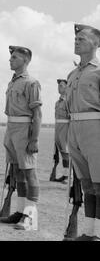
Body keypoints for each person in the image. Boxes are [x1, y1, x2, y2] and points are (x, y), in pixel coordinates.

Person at [0, 46, 42, 231]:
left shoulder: (31, 82)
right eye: (11, 57)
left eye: (14, 57)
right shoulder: (12, 82)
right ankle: (20, 210)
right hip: (11, 128)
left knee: (29, 173)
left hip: (25, 129)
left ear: (25, 60)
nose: (10, 60)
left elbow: (38, 113)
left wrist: (34, 139)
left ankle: (30, 216)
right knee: (17, 173)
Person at [65, 24, 100, 240]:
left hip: (95, 128)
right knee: (86, 184)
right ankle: (89, 232)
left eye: (82, 39)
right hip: (74, 129)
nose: (76, 41)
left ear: (96, 44)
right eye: (76, 38)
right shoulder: (72, 73)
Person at [50, 79, 70, 183]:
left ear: (67, 87)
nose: (59, 87)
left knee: (66, 152)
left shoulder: (68, 101)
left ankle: (67, 177)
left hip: (66, 128)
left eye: (62, 86)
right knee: (61, 153)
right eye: (58, 86)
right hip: (58, 128)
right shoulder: (58, 102)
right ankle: (65, 174)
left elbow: (71, 117)